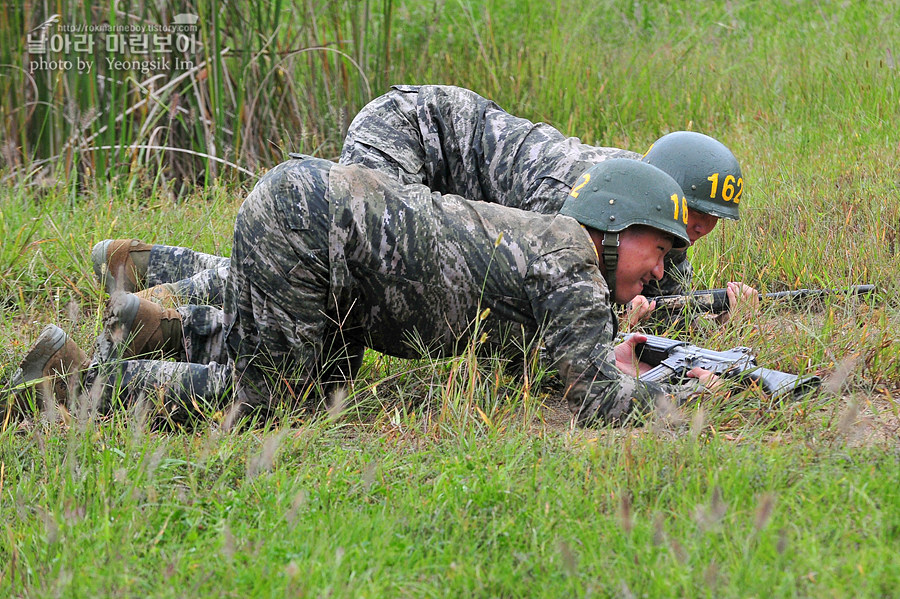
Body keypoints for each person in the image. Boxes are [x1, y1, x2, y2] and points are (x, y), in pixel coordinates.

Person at [12, 157, 720, 427]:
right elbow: (596, 403)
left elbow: (537, 371)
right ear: (617, 226)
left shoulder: (560, 248)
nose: (661, 272)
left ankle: (137, 328)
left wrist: (606, 354)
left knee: (323, 387)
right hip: (310, 222)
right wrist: (682, 391)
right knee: (265, 400)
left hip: (316, 220)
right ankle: (69, 385)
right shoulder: (570, 261)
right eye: (660, 250)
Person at [91, 85, 756, 323]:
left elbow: (652, 304)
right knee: (338, 266)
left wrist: (715, 307)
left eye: (708, 224)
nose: (696, 232)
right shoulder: (591, 198)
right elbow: (567, 305)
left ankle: (153, 262)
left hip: (439, 178)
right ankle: (171, 306)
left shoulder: (641, 215)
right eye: (692, 217)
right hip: (407, 135)